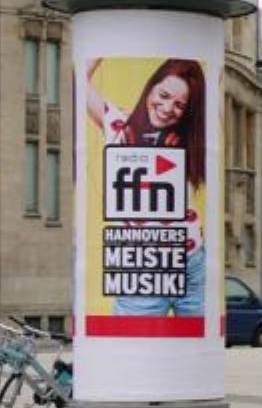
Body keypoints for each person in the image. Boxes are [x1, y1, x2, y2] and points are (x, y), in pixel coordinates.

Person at [86, 58, 207, 317]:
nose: (167, 108)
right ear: (150, 89)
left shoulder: (193, 138)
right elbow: (79, 81)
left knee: (198, 338)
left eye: (179, 105)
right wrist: (102, 46)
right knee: (133, 339)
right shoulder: (119, 125)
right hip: (142, 265)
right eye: (163, 95)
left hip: (192, 261)